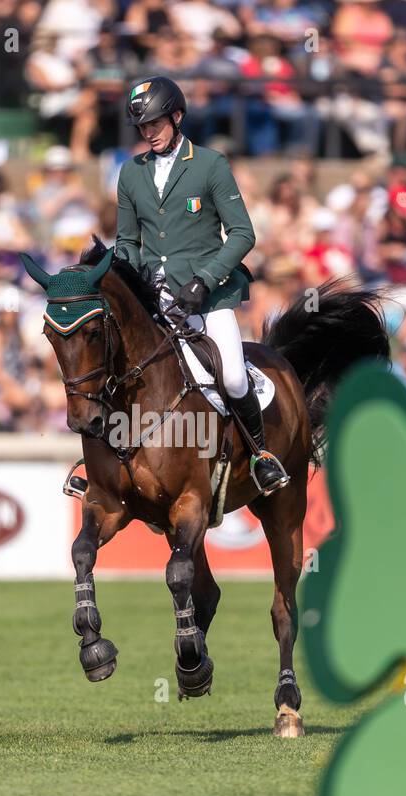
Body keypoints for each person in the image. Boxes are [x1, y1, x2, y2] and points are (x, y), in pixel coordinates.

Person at [114, 75, 288, 494]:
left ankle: (262, 454)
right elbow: (126, 240)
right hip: (155, 298)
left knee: (230, 377)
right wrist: (129, 273)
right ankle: (104, 468)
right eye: (142, 127)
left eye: (155, 123)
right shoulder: (130, 173)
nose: (148, 133)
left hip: (207, 296)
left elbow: (243, 234)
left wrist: (204, 280)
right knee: (117, 369)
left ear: (177, 116)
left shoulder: (210, 164)